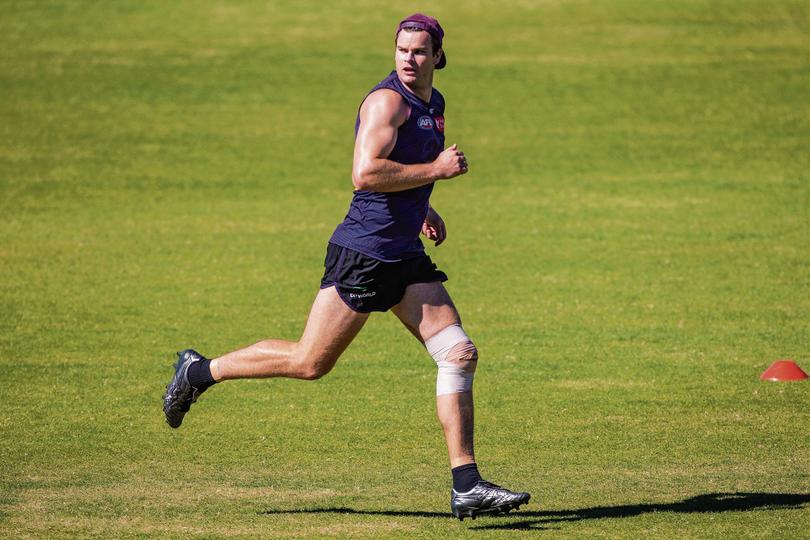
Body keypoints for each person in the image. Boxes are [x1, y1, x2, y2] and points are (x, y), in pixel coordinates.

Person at [162, 13, 530, 520]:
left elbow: (398, 168)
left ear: (438, 56)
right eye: (402, 49)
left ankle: (466, 484)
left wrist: (423, 205)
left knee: (459, 353)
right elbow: (366, 173)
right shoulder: (386, 102)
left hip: (401, 253)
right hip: (365, 252)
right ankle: (200, 371)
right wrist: (437, 171)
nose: (408, 58)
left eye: (419, 51)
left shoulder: (433, 103)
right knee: (309, 363)